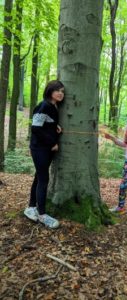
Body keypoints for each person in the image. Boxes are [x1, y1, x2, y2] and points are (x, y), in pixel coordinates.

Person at [24, 80, 65, 229]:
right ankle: (42, 214)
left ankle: (30, 207)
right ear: (50, 91)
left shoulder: (54, 106)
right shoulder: (44, 105)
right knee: (43, 179)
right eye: (57, 90)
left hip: (46, 149)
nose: (61, 93)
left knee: (38, 176)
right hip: (40, 148)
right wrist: (52, 143)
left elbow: (46, 123)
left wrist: (56, 126)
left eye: (62, 91)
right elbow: (36, 128)